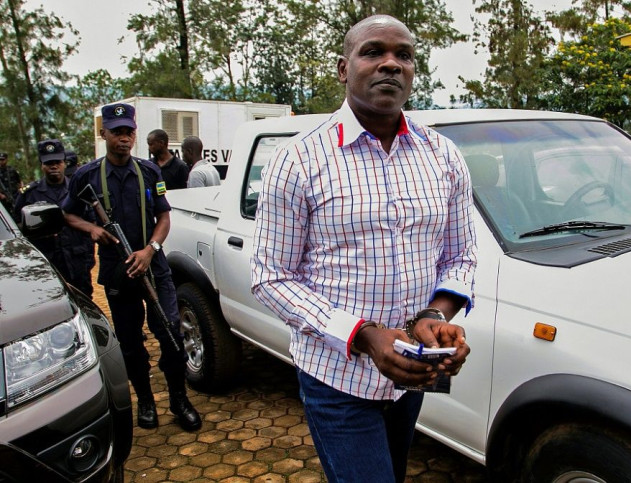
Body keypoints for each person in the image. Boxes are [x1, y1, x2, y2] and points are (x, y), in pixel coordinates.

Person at [250, 15, 476, 482]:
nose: (390, 64)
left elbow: (461, 256)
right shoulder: (298, 159)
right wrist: (363, 336)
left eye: (404, 55)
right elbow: (271, 276)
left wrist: (434, 316)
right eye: (373, 52)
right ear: (342, 67)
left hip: (411, 372)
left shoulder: (443, 155)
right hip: (336, 377)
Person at [62, 102, 201, 432]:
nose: (124, 139)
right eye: (117, 133)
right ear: (104, 134)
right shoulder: (86, 176)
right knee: (129, 342)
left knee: (170, 334)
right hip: (116, 271)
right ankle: (146, 401)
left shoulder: (150, 172)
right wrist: (93, 229)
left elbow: (165, 217)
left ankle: (179, 400)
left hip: (153, 266)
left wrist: (150, 250)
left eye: (129, 132)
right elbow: (67, 214)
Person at [13, 139, 96, 298]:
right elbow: (17, 227)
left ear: (64, 163)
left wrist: (87, 259)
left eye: (57, 162)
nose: (54, 166)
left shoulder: (78, 190)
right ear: (42, 165)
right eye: (48, 162)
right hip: (47, 263)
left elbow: (91, 222)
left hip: (77, 261)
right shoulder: (30, 194)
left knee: (85, 303)